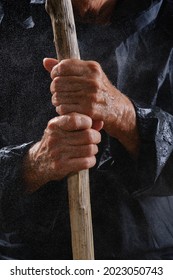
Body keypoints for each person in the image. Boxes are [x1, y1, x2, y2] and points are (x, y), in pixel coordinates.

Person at [0, 0, 173, 260]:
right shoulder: (8, 17)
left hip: (148, 259)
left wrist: (124, 115)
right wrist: (34, 163)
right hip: (27, 262)